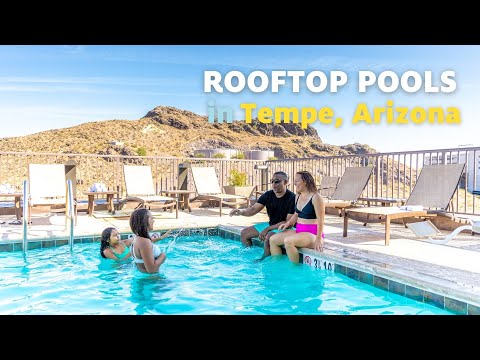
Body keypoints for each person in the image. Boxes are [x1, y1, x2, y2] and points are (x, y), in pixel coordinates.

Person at [229, 171, 295, 261]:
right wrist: (241, 211)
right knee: (244, 233)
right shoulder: (268, 195)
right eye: (272, 181)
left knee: (268, 237)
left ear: (286, 182)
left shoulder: (292, 198)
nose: (273, 184)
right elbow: (253, 209)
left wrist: (268, 229)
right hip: (272, 225)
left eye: (277, 181)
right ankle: (248, 256)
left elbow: (288, 222)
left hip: (286, 228)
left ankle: (264, 260)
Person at [270, 171, 325, 263]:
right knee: (273, 240)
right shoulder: (298, 196)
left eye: (297, 181)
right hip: (299, 231)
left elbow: (321, 220)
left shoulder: (316, 197)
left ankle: (294, 269)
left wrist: (318, 239)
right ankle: (277, 266)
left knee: (289, 241)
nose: (295, 184)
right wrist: (287, 224)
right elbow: (296, 214)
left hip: (313, 234)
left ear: (305, 181)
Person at [129, 208, 173, 273]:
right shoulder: (144, 242)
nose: (153, 221)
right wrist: (163, 256)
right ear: (144, 221)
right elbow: (152, 270)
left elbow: (149, 243)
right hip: (152, 280)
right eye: (151, 219)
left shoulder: (137, 239)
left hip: (144, 279)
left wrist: (161, 237)